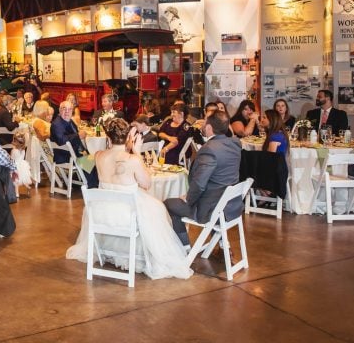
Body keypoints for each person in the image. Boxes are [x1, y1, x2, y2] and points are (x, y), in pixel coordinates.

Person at [66, 118, 193, 280]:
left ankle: (116, 252)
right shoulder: (133, 159)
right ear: (128, 137)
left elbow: (94, 166)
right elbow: (146, 184)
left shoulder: (98, 156)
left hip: (102, 211)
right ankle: (141, 254)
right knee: (157, 209)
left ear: (108, 137)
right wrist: (137, 152)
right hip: (127, 213)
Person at [164, 111, 242, 248]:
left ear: (209, 128)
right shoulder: (235, 144)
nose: (202, 125)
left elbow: (199, 184)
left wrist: (188, 198)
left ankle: (185, 248)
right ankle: (223, 242)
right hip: (231, 205)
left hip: (211, 209)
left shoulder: (209, 149)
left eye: (205, 123)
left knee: (170, 204)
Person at [50, 101, 97, 188]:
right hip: (65, 155)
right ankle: (92, 187)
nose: (67, 111)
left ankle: (94, 184)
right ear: (60, 110)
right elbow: (61, 140)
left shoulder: (69, 121)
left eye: (69, 109)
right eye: (64, 108)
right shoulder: (57, 124)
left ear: (72, 111)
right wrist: (78, 135)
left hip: (75, 152)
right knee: (90, 160)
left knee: (94, 158)